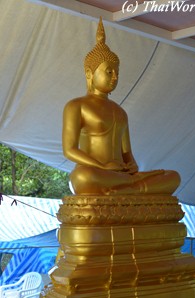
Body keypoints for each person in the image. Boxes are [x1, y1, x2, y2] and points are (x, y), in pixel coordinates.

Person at [62, 18, 180, 196]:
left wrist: (131, 166)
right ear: (89, 73)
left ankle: (128, 187)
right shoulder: (77, 106)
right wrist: (102, 166)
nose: (115, 77)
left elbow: (127, 154)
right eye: (109, 71)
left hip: (120, 175)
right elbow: (69, 150)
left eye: (117, 72)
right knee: (82, 177)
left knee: (172, 176)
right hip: (96, 172)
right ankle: (132, 187)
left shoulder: (120, 112)